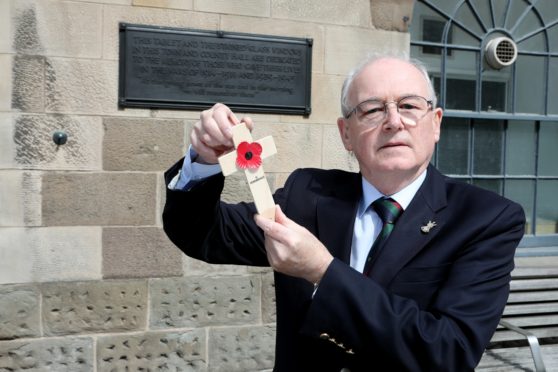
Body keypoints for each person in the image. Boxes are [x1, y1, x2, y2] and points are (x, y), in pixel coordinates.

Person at [162, 54, 526, 371]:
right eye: (371, 109)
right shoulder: (308, 196)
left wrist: (323, 271)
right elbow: (203, 233)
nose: (394, 121)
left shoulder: (485, 219)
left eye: (410, 106)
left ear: (437, 123)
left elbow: (449, 352)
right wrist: (205, 161)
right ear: (346, 134)